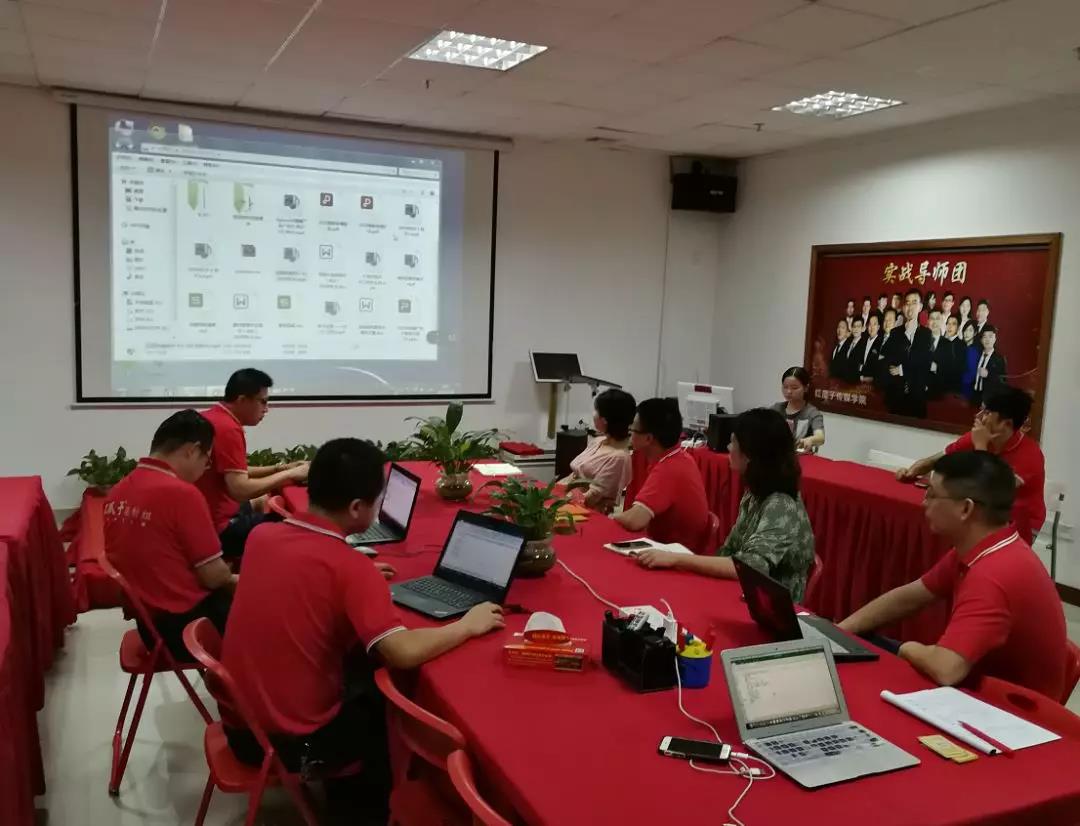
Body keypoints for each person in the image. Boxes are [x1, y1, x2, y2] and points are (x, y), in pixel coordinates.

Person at [221, 438, 505, 824]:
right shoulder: (348, 567)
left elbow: (310, 576)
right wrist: (467, 625)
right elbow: (402, 651)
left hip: (241, 725)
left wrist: (355, 575)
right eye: (377, 501)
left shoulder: (262, 537)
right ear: (357, 507)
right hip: (291, 744)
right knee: (382, 705)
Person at [841, 451, 1065, 699]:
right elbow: (911, 596)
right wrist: (840, 632)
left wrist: (907, 648)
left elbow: (946, 669)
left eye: (932, 494)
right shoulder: (985, 546)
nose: (924, 503)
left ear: (965, 508)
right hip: (981, 684)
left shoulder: (994, 574)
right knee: (863, 645)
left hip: (1011, 709)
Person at [635, 408, 815, 601]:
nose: (729, 447)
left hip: (767, 603)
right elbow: (729, 552)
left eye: (733, 442)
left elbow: (747, 567)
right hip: (739, 590)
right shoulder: (755, 492)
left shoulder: (781, 504)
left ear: (750, 453)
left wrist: (676, 558)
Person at [104, 410, 236, 660]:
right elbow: (213, 577)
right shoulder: (182, 495)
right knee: (274, 614)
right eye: (206, 460)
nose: (204, 469)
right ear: (192, 450)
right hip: (188, 630)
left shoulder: (119, 490)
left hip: (150, 627)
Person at [896, 386, 1045, 544]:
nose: (978, 416)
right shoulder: (978, 437)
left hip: (1019, 522)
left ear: (1006, 424)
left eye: (986, 412)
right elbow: (938, 459)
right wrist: (912, 471)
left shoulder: (1030, 455)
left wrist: (980, 445)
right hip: (985, 512)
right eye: (981, 409)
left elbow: (991, 491)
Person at [197, 368, 309, 558]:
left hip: (206, 517)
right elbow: (240, 489)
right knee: (300, 528)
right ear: (242, 400)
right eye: (262, 402)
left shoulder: (213, 416)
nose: (266, 409)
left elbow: (234, 471)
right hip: (219, 528)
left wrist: (279, 468)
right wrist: (289, 474)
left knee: (265, 502)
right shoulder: (228, 429)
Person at [613, 397, 710, 551]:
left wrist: (608, 518)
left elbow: (635, 520)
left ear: (649, 438)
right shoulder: (679, 456)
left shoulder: (670, 468)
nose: (630, 433)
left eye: (633, 430)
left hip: (673, 553)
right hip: (668, 547)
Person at [558, 388, 636, 513]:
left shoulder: (618, 458)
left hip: (582, 511)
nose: (593, 414)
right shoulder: (598, 441)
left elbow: (592, 497)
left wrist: (559, 500)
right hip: (565, 498)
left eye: (596, 410)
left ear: (604, 420)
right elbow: (573, 476)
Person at [887, 288, 933, 417]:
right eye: (907, 303)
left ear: (920, 307)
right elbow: (890, 361)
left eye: (914, 302)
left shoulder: (926, 334)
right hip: (896, 397)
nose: (910, 307)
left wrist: (902, 369)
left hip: (916, 397)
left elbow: (923, 363)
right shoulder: (895, 333)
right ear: (903, 307)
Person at [771, 366, 825, 451]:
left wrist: (811, 440)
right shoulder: (776, 408)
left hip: (801, 455)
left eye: (794, 388)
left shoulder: (812, 412)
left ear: (806, 388)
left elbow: (820, 437)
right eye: (785, 387)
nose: (789, 391)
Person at [936, 314, 966, 394]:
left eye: (953, 324)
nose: (950, 326)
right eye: (948, 323)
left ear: (958, 327)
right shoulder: (941, 342)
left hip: (953, 389)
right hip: (938, 386)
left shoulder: (962, 345)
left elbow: (959, 369)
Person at [855, 313, 882, 384]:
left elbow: (877, 367)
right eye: (870, 324)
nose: (872, 327)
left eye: (874, 324)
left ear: (878, 327)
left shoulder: (881, 343)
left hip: (873, 383)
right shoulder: (863, 341)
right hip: (858, 379)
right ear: (867, 326)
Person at [843, 317, 865, 383]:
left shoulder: (864, 345)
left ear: (862, 329)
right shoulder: (847, 342)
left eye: (858, 326)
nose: (856, 329)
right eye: (854, 326)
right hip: (843, 380)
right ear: (851, 328)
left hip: (855, 382)